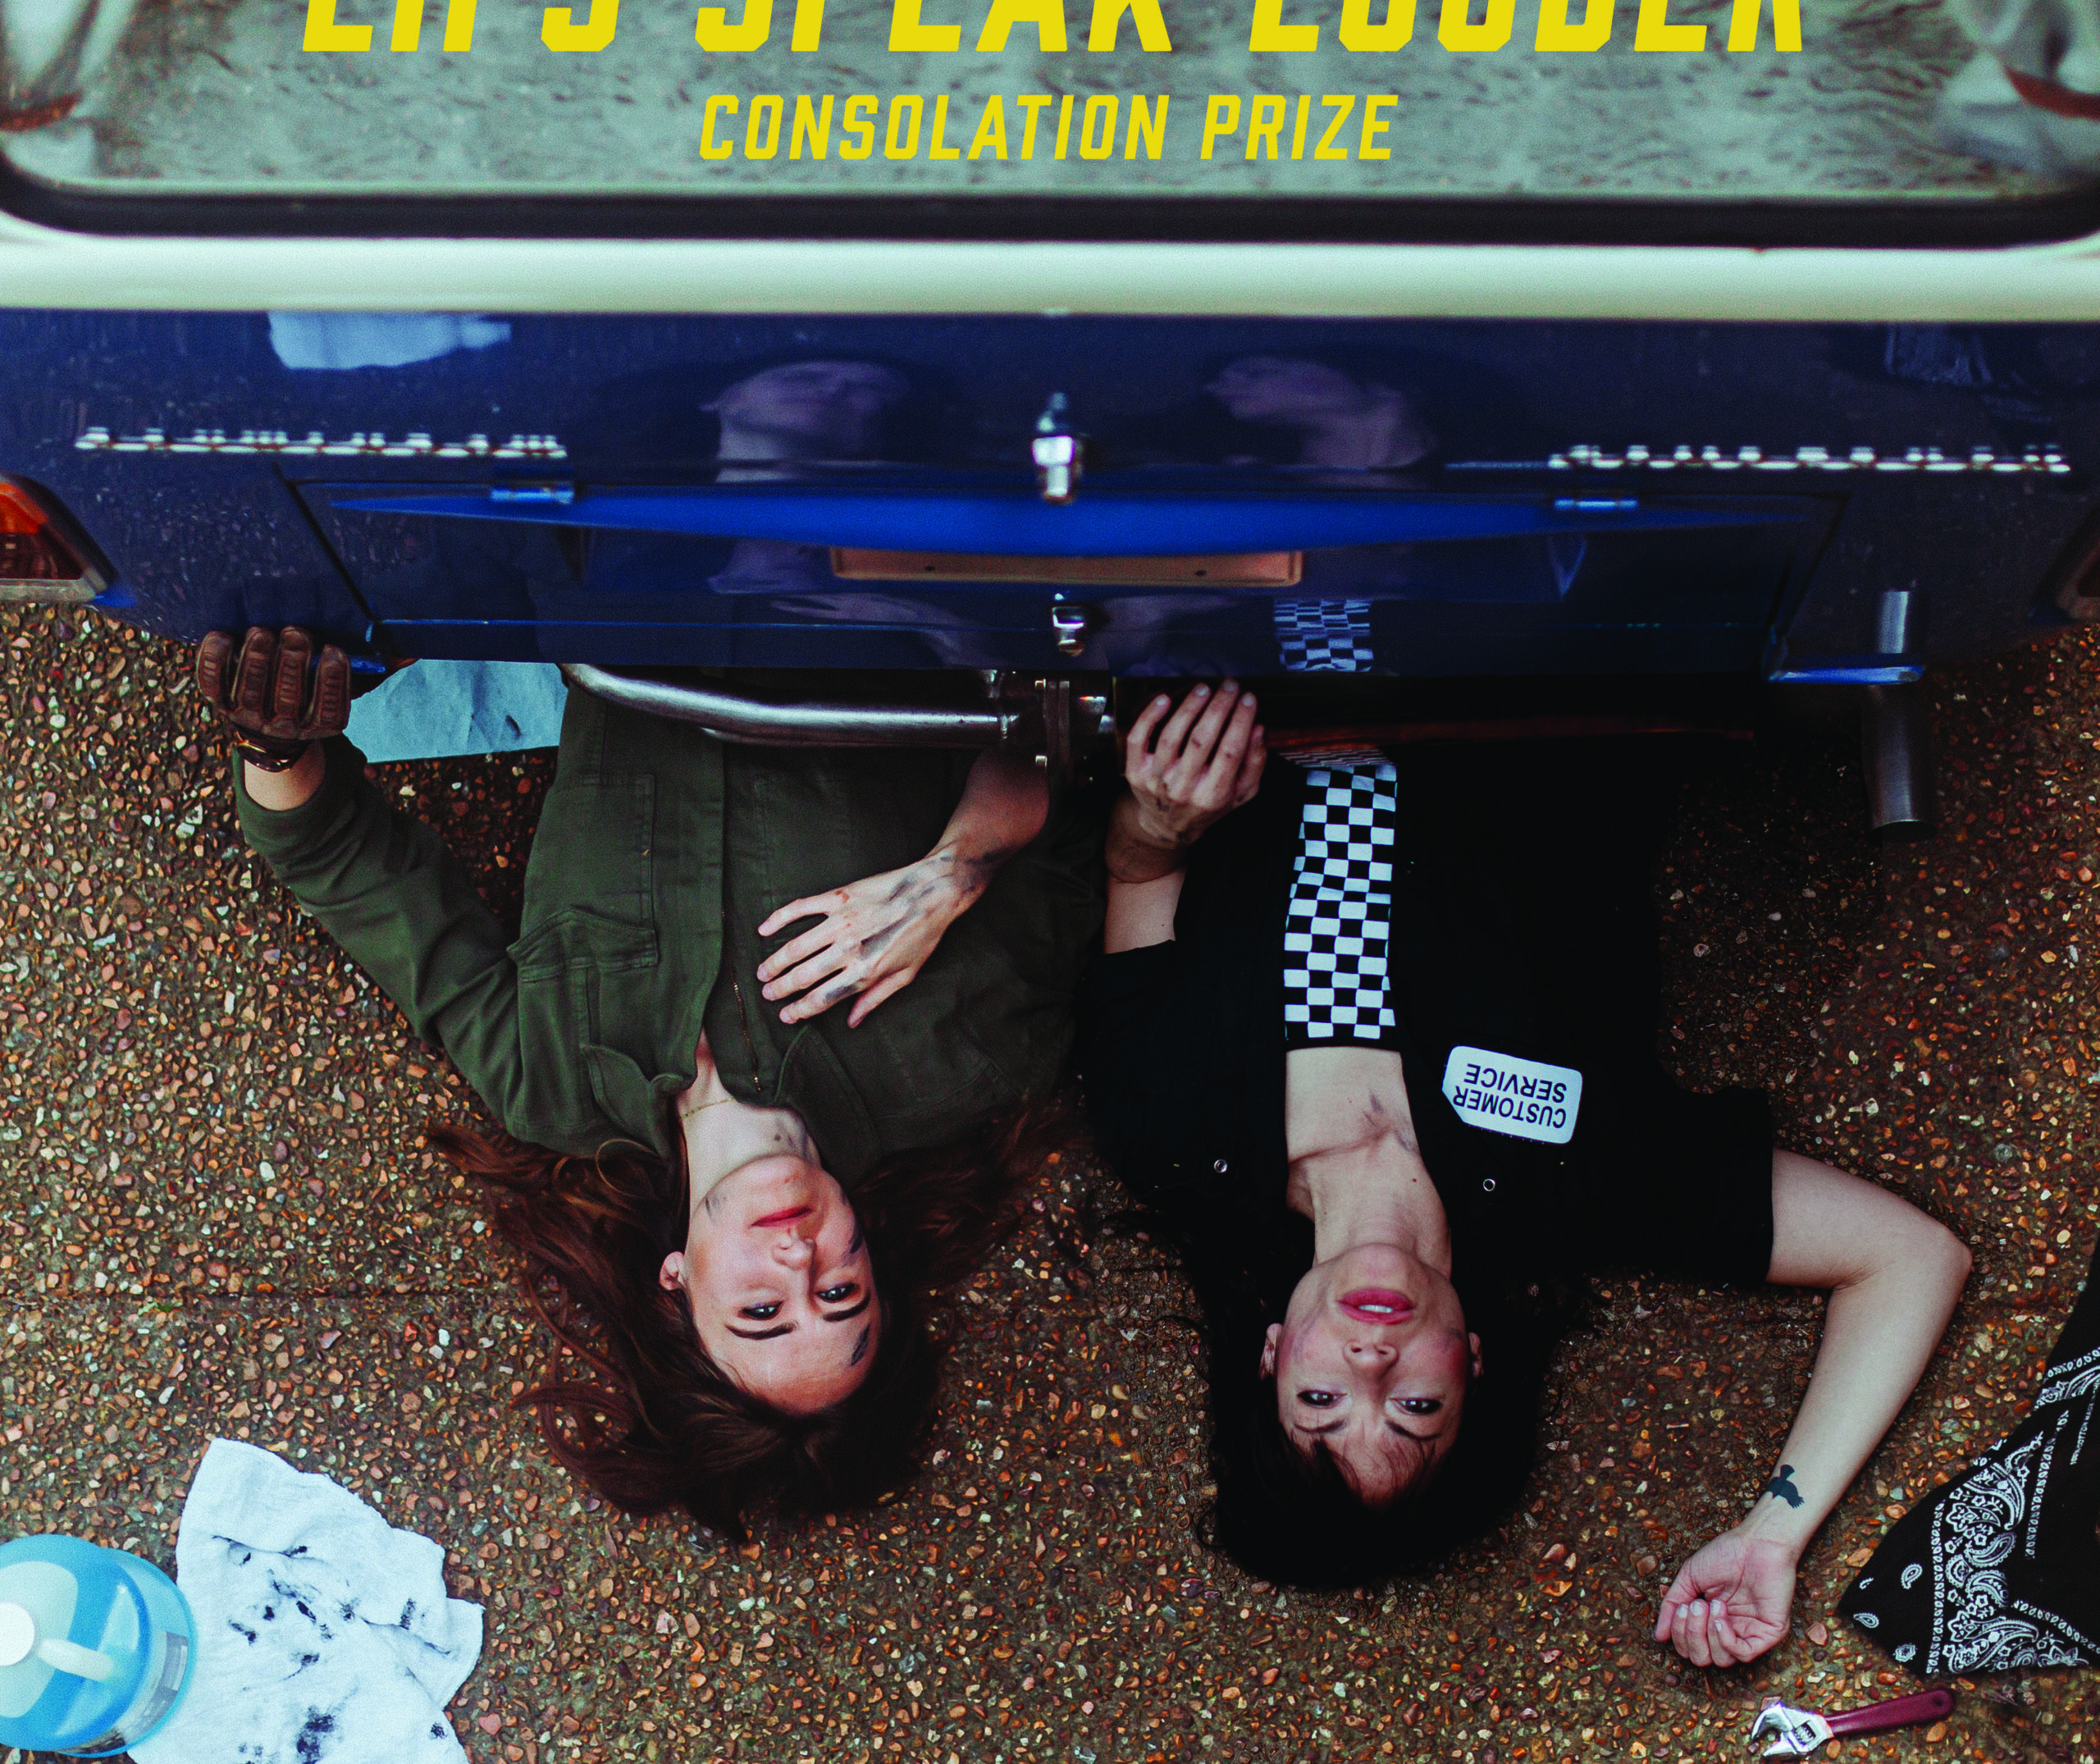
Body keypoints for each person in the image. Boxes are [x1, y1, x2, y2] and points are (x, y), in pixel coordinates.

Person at [1080, 681, 1973, 1664]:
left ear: (1270, 1354)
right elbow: (1910, 1257)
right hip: (1529, 663)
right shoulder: (1577, 1181)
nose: (1371, 1369)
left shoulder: (1164, 1136)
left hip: (1273, 664)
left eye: (1321, 1402)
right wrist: (1774, 1531)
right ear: (1469, 1365)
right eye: (1416, 1410)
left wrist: (1154, 819)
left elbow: (1139, 880)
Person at [196, 624, 1099, 1534]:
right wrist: (956, 870)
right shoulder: (970, 1062)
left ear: (678, 1285)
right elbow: (1063, 749)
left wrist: (271, 739)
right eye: (839, 1293)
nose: (800, 1261)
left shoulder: (551, 1085)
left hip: (625, 579)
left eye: (760, 1309)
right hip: (855, 565)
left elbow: (342, 864)